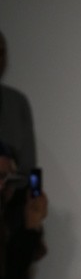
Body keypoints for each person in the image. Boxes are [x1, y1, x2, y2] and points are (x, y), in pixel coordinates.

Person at [0, 32, 36, 176]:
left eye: (1, 53)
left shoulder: (17, 102)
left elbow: (31, 166)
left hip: (14, 187)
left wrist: (35, 189)